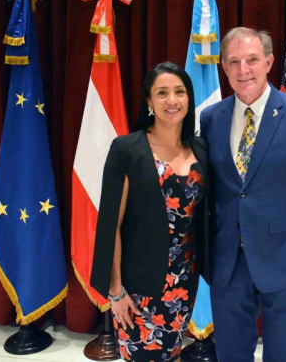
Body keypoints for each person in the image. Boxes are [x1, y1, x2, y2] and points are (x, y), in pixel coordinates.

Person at [200, 27, 286, 362]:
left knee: (285, 355)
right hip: (228, 265)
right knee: (230, 355)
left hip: (284, 263)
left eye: (252, 60)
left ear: (269, 62)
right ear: (223, 67)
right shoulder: (211, 118)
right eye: (234, 62)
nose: (243, 70)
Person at [90, 62, 210, 362]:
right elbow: (111, 226)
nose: (172, 100)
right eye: (162, 93)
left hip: (185, 279)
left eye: (179, 92)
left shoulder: (201, 149)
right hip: (138, 285)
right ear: (149, 101)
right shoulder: (127, 149)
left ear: (189, 98)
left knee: (172, 353)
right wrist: (116, 291)